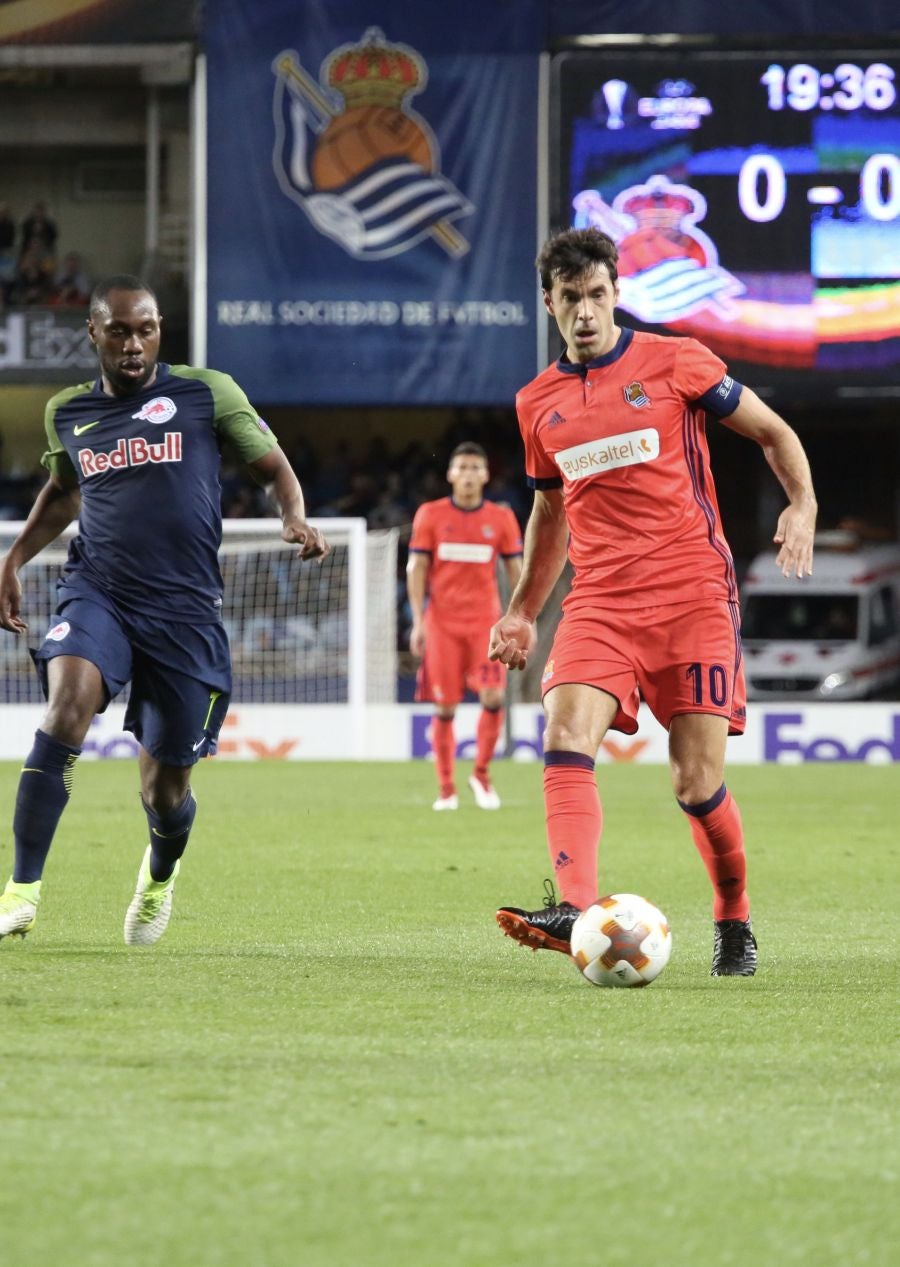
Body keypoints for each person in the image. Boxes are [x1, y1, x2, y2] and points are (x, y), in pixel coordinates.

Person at [488, 228, 817, 976]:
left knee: (694, 783)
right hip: (600, 600)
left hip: (692, 592)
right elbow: (550, 515)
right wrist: (520, 611)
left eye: (597, 295)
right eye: (569, 299)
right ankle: (576, 907)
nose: (584, 312)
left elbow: (772, 429)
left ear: (615, 294)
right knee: (566, 728)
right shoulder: (537, 403)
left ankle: (733, 918)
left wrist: (801, 503)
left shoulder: (675, 361)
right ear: (549, 304)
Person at [0, 275, 328, 946]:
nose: (132, 343)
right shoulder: (68, 411)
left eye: (145, 329)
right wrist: (12, 559)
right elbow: (65, 491)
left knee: (165, 792)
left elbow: (274, 467)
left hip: (185, 612)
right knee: (67, 706)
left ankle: (157, 875)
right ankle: (21, 888)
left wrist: (293, 513)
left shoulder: (207, 393)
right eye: (118, 330)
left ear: (159, 334)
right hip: (100, 589)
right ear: (92, 332)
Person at [407, 442, 523, 810]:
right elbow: (417, 569)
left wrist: (519, 618)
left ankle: (481, 776)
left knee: (493, 697)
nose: (469, 474)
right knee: (445, 705)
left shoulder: (502, 519)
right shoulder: (430, 514)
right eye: (462, 467)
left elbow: (516, 571)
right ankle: (446, 789)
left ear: (486, 475)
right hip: (441, 624)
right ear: (450, 474)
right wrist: (417, 621)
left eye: (476, 467)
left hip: (485, 625)